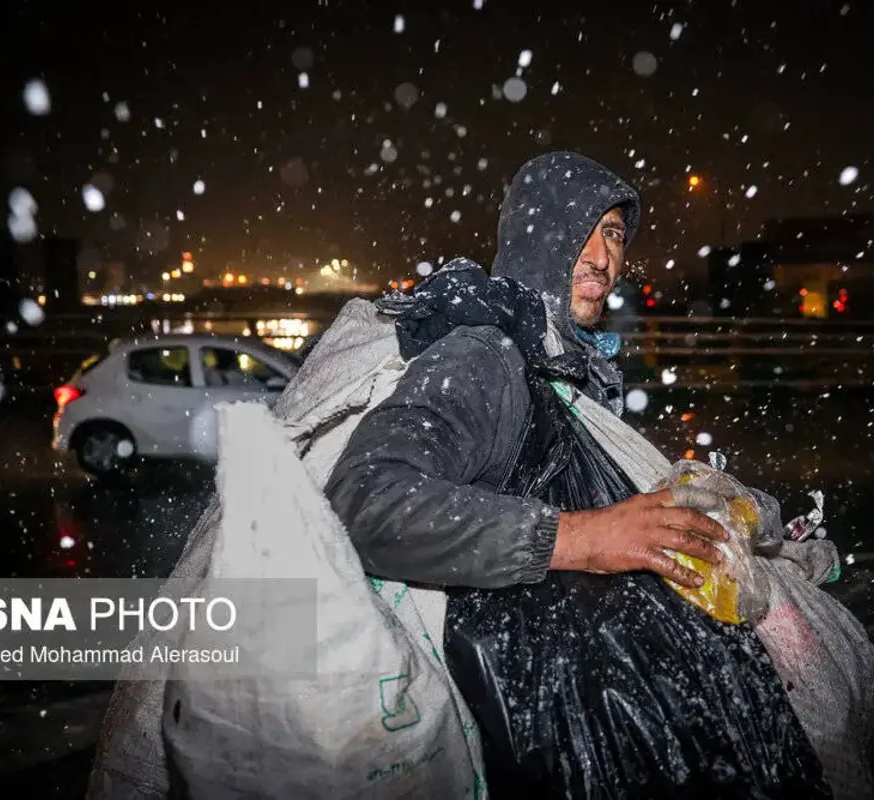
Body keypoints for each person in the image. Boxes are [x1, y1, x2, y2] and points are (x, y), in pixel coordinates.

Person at [325, 151, 829, 797]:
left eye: (614, 235)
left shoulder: (564, 363)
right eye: (582, 231)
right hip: (548, 694)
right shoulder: (485, 353)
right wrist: (584, 539)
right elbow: (363, 498)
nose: (603, 258)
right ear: (537, 233)